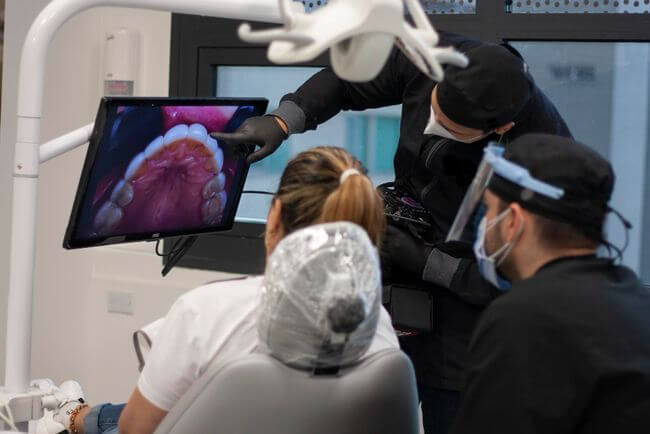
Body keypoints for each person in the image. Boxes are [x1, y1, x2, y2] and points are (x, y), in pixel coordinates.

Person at [212, 32, 572, 433]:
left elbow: (522, 279)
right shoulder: (433, 56)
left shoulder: (544, 161)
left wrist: (424, 259)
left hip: (468, 327)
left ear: (500, 128)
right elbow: (347, 80)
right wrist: (284, 120)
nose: (431, 126)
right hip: (394, 304)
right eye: (433, 109)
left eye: (449, 129)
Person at [36, 146, 398, 434]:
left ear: (275, 216)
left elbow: (136, 430)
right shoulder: (378, 324)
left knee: (148, 413)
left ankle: (70, 419)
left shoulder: (206, 313)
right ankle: (75, 415)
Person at [445, 133, 650, 433]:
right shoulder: (636, 300)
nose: (485, 223)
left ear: (513, 221)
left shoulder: (521, 319)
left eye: (489, 210)